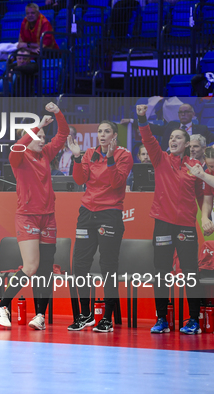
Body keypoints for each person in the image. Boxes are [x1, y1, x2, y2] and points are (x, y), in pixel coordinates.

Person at [0, 103, 68, 329]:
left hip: (48, 217)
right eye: (38, 136)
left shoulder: (46, 153)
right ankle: (2, 305)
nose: (42, 139)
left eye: (44, 136)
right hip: (27, 217)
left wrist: (57, 112)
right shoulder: (19, 157)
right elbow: (16, 147)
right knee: (31, 266)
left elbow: (63, 134)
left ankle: (40, 317)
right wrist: (37, 126)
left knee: (45, 269)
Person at [135, 104, 205, 334]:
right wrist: (142, 117)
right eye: (171, 137)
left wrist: (206, 217)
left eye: (178, 137)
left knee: (190, 271)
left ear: (187, 145)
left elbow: (203, 197)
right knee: (161, 271)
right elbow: (147, 137)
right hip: (163, 223)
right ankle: (162, 319)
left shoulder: (195, 167)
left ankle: (193, 319)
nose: (173, 140)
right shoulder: (160, 159)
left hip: (186, 226)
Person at [66, 121, 134, 333]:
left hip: (110, 213)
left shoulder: (124, 155)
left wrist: (111, 158)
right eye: (100, 132)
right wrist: (77, 157)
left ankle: (107, 318)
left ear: (114, 135)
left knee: (108, 267)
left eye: (107, 132)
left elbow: (116, 183)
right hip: (87, 212)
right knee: (79, 265)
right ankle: (85, 315)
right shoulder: (89, 154)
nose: (102, 135)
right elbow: (79, 179)